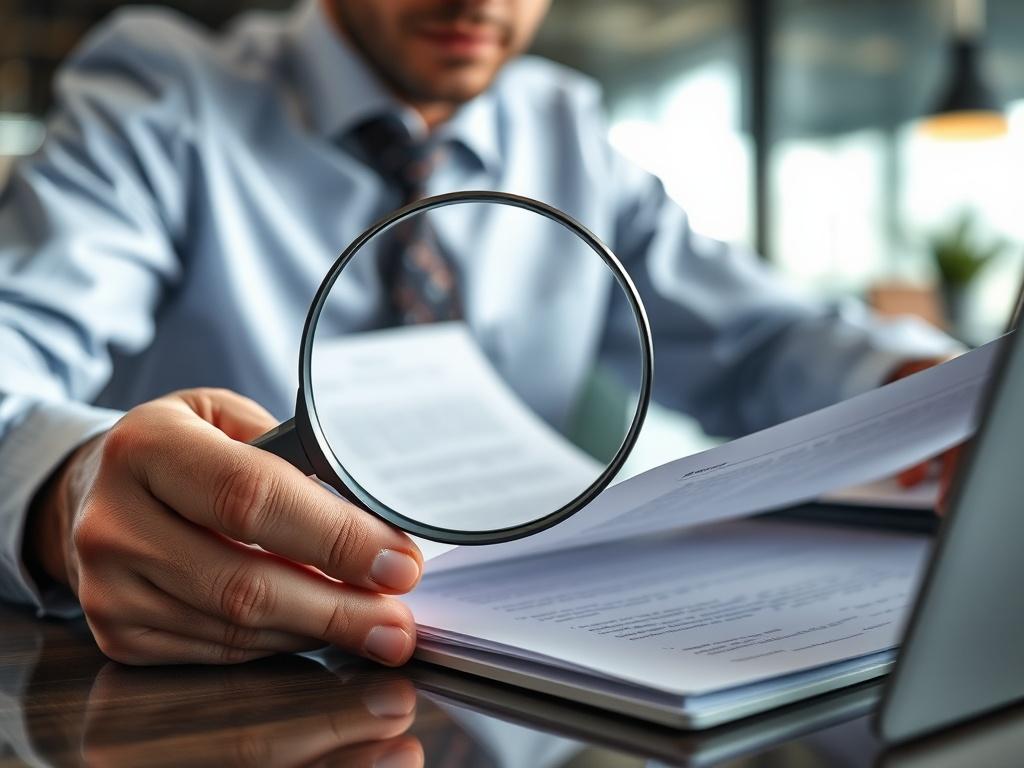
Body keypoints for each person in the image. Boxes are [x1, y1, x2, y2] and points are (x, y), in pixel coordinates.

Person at [0, 0, 959, 667]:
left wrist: (946, 392)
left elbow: (760, 339)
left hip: (529, 694)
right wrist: (69, 487)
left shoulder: (565, 127)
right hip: (235, 683)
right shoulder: (166, 93)